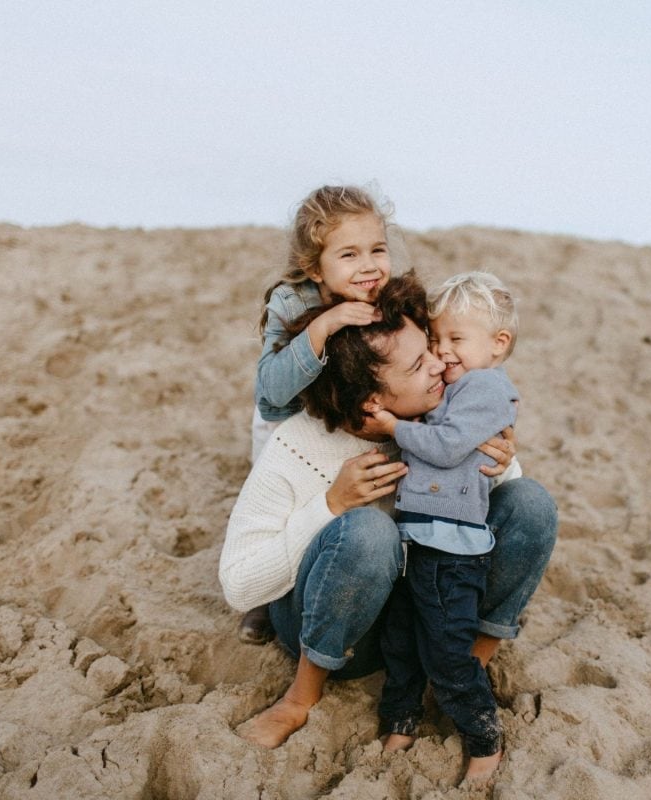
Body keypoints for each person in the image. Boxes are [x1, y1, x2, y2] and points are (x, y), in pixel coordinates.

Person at [217, 272, 557, 764]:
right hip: (336, 628)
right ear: (372, 401)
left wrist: (502, 461)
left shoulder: (440, 418)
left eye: (434, 349)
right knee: (369, 532)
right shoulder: (298, 443)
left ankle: (463, 670)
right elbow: (239, 587)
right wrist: (330, 505)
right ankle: (300, 698)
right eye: (422, 363)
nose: (441, 363)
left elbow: (510, 510)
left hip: (427, 617)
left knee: (531, 502)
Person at [366, 271, 519, 783]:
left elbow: (449, 445)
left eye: (457, 339)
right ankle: (401, 720)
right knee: (401, 642)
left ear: (499, 345)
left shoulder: (488, 388)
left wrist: (392, 426)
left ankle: (483, 739)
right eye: (437, 339)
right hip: (418, 540)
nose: (444, 351)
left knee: (449, 651)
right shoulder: (455, 388)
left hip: (453, 552)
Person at [242, 185, 394, 644]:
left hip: (341, 424)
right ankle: (264, 602)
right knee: (278, 507)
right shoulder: (291, 303)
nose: (369, 265)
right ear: (315, 266)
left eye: (378, 250)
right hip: (285, 424)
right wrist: (324, 325)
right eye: (349, 254)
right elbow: (271, 395)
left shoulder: (386, 296)